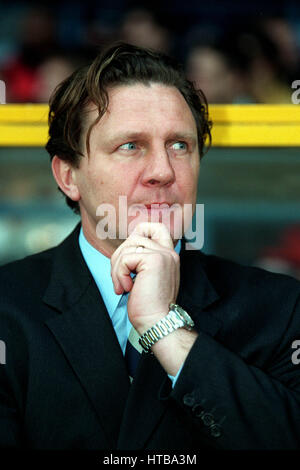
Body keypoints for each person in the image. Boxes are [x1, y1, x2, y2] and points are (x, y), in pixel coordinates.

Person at [0, 42, 300, 451]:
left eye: (180, 145)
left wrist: (166, 330)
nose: (162, 170)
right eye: (130, 146)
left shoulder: (280, 308)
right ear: (69, 176)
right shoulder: (6, 308)